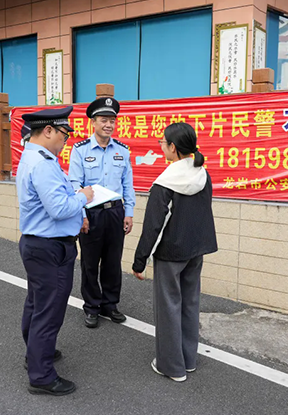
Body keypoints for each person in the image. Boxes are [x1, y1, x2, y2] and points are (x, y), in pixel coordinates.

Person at [17, 106, 94, 396]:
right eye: (64, 133)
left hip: (39, 244)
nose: (65, 140)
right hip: (50, 247)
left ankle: (36, 353)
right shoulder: (43, 164)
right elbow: (59, 208)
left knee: (37, 303)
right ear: (48, 130)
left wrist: (77, 208)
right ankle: (41, 376)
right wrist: (83, 197)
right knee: (49, 311)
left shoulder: (32, 156)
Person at [132, 122, 217, 382]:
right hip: (196, 250)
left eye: (162, 142)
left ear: (172, 147)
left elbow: (153, 226)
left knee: (168, 308)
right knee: (190, 303)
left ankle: (171, 367)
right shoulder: (202, 174)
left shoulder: (165, 182)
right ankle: (188, 360)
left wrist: (139, 261)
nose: (161, 145)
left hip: (171, 254)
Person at [68, 97, 136, 328]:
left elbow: (128, 184)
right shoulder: (80, 150)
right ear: (93, 122)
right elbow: (75, 184)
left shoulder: (122, 151)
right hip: (91, 214)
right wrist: (81, 215)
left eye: (112, 121)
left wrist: (129, 212)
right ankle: (92, 306)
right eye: (104, 120)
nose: (108, 125)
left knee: (112, 262)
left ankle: (110, 304)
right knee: (89, 263)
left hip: (115, 212)